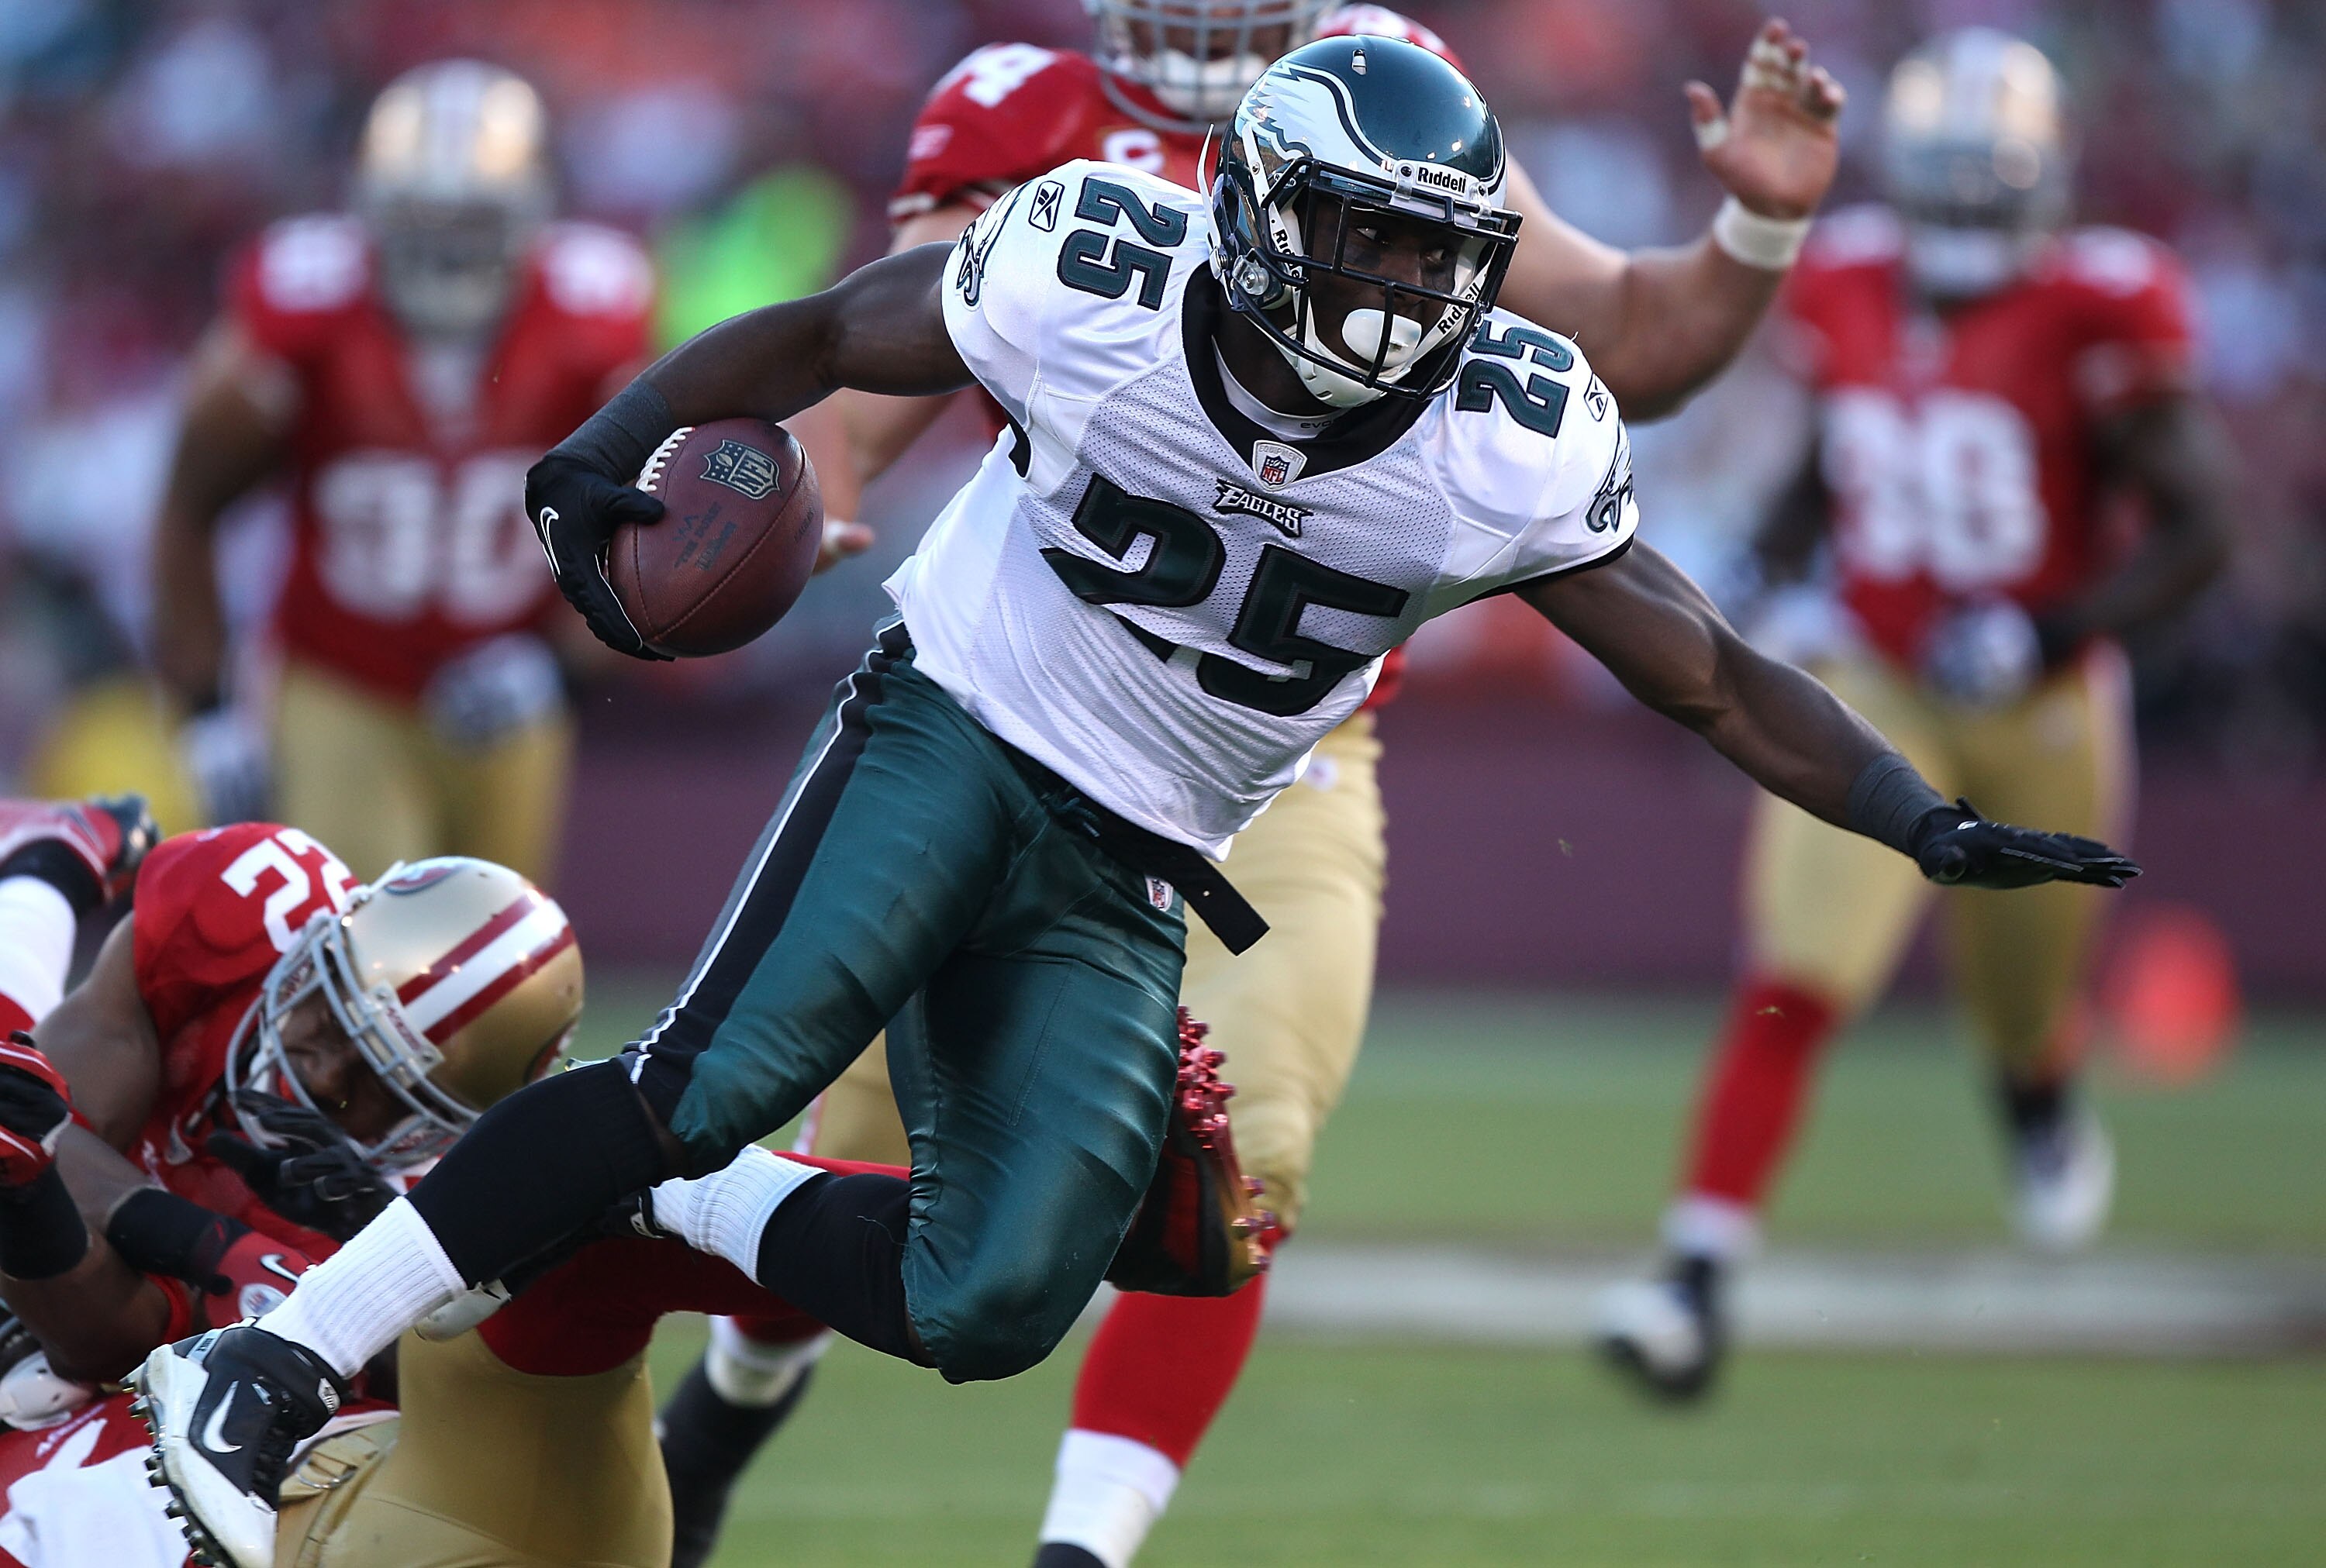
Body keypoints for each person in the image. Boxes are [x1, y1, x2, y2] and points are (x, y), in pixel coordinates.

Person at [139, 40, 2136, 1568]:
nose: (1392, 288)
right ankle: (278, 1360)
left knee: (989, 1291)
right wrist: (617, 432)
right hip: (958, 728)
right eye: (1358, 237)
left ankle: (670, 1204)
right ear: (1257, 212)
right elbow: (835, 329)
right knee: (701, 1072)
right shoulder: (1098, 265)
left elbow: (1701, 667)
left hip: (1135, 852)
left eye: (1430, 253)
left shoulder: (1501, 435)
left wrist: (1914, 818)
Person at [660, 9, 1856, 1565]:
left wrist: (1757, 214)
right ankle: (726, 1408)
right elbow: (877, 371)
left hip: (1275, 756)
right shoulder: (1026, 111)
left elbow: (1641, 338)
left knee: (1247, 1166)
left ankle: (1080, 1549)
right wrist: (813, 485)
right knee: (860, 1155)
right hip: (1029, 715)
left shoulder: (1392, 94)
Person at [1595, 27, 2231, 1403]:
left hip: (2046, 699)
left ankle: (2038, 1097)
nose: (1963, 213)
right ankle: (1693, 1275)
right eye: (1944, 181)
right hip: (1876, 677)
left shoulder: (2105, 303)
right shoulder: (1846, 278)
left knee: (2022, 1003)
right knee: (1798, 969)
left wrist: (2051, 626)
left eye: (1988, 183)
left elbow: (2204, 524)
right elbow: (1834, 461)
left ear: (2046, 178)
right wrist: (1751, 584)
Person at [0, 812, 585, 1564]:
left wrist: (353, 1251)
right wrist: (220, 1246)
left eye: (381, 1083)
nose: (321, 1070)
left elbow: (104, 1340)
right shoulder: (249, 910)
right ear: (318, 949)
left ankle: (50, 864)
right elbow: (44, 1122)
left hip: (146, 1362)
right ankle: (51, 865)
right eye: (332, 1017)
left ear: (449, 1125)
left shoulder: (434, 1207)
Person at [147, 60, 654, 880]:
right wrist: (205, 706)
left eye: (472, 223)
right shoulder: (302, 317)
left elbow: (652, 512)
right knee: (368, 941)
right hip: (343, 678)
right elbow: (189, 503)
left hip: (510, 683)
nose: (447, 252)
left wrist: (557, 665)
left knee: (510, 956)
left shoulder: (592, 319)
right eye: (422, 220)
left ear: (531, 215)